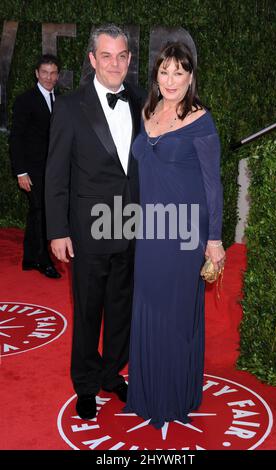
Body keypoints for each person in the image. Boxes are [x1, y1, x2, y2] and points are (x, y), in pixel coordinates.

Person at [45, 25, 145, 420]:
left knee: (122, 309)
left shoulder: (140, 101)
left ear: (130, 60)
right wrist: (57, 230)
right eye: (107, 56)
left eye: (122, 56)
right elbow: (55, 175)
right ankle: (85, 384)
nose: (115, 63)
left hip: (132, 226)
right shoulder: (70, 107)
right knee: (88, 312)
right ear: (92, 59)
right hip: (88, 230)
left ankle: (110, 373)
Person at [124, 42, 226, 429]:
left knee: (175, 314)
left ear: (190, 77)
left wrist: (213, 241)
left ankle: (173, 396)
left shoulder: (201, 119)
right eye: (164, 72)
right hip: (150, 230)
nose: (170, 80)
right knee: (147, 307)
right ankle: (147, 393)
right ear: (156, 76)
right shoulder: (146, 112)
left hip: (184, 234)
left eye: (178, 73)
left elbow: (212, 184)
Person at [9, 54, 61, 279]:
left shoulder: (61, 99)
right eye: (45, 73)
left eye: (53, 73)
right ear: (37, 74)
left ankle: (29, 258)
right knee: (41, 212)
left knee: (37, 213)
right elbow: (16, 138)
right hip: (32, 169)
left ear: (57, 75)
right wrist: (21, 172)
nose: (49, 77)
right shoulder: (25, 100)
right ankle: (43, 260)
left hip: (54, 168)